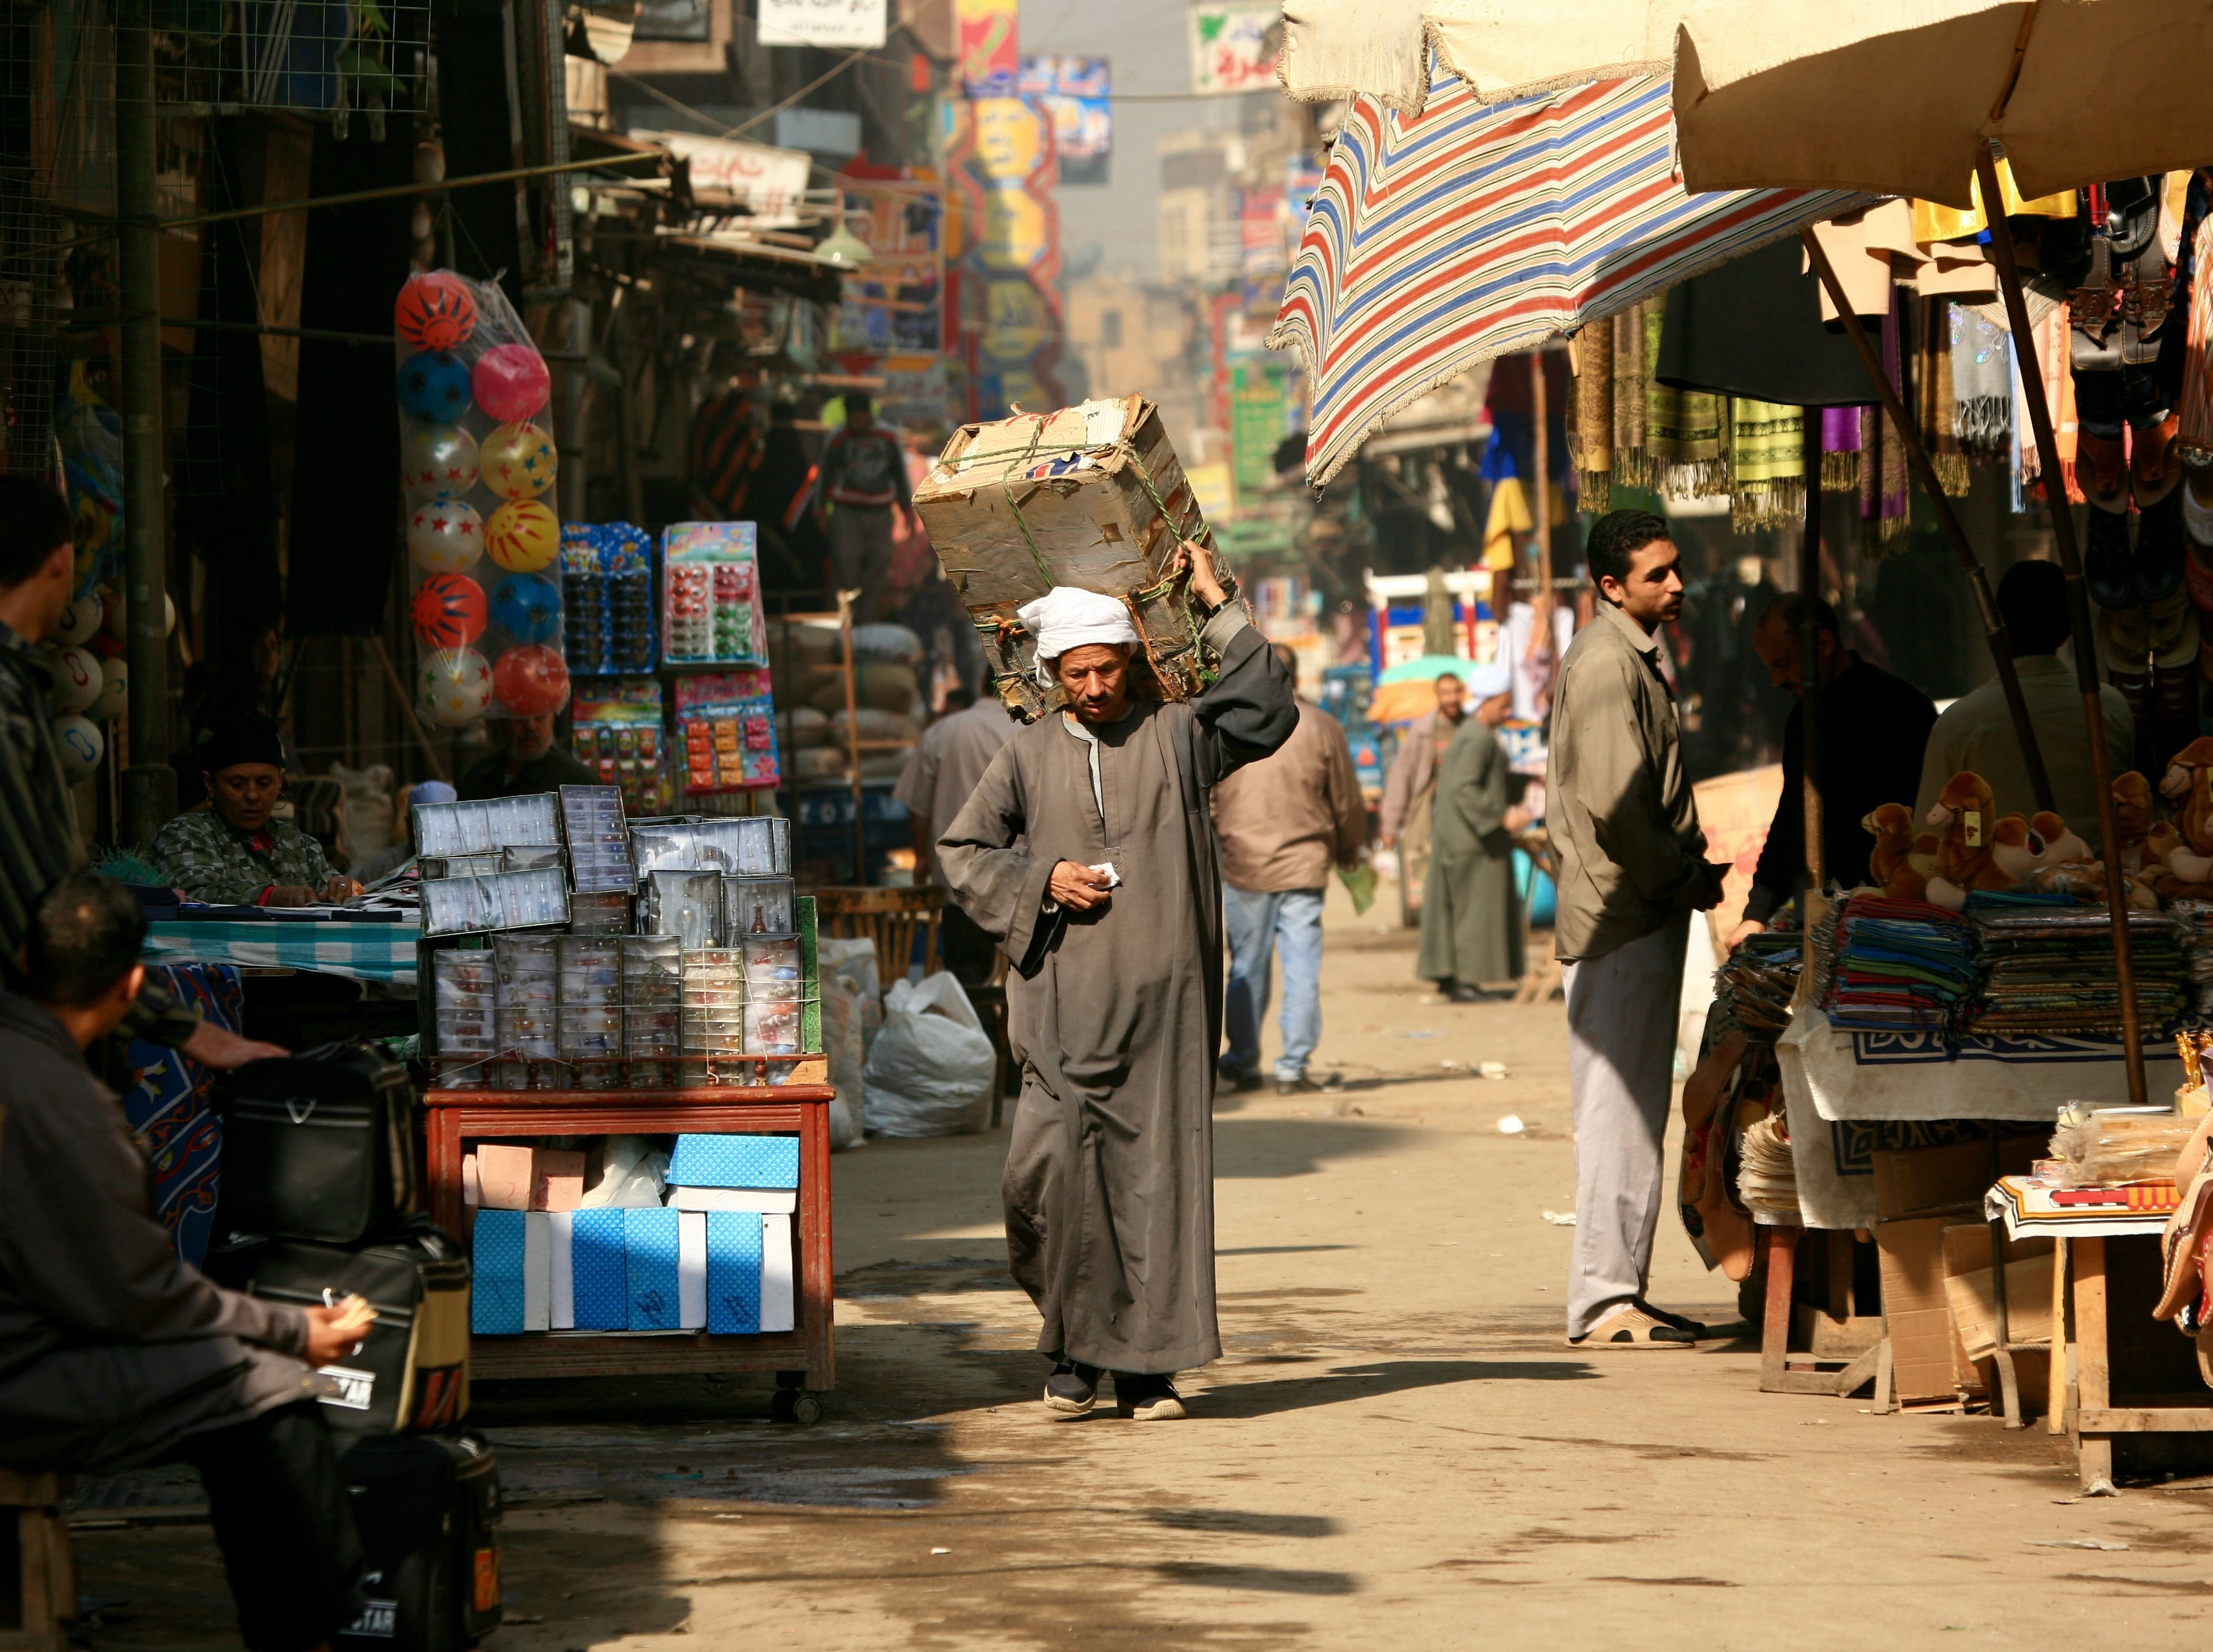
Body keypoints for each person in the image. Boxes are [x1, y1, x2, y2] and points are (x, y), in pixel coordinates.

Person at [939, 546, 1297, 1421]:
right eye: (1076, 674)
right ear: (1053, 672)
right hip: (1062, 1017)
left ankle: (1142, 1370)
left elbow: (1263, 706)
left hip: (1164, 1019)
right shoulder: (1024, 754)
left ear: (1129, 661)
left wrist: (1218, 601)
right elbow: (965, 851)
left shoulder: (1178, 736)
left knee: (1153, 1191)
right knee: (1045, 1184)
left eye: (1104, 670)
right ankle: (1069, 1343)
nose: (1093, 688)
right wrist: (1042, 878)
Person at [0, 872, 367, 1650]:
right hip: (22, 1377)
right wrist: (290, 1329)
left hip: (37, 1341)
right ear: (135, 983)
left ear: (24, 957)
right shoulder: (61, 1103)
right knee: (267, 1389)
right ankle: (310, 1636)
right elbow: (137, 1303)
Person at [0, 477, 274, 1070]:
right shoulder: (6, 700)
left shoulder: (21, 688)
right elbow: (46, 899)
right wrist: (186, 1028)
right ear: (61, 560)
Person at [1549, 509, 1728, 1351]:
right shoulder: (1606, 664)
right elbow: (1623, 810)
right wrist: (1685, 876)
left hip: (1636, 910)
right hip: (1623, 914)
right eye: (1657, 574)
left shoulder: (1630, 657)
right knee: (1619, 1114)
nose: (1677, 585)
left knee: (1632, 1111)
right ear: (1611, 586)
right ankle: (1605, 1300)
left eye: (1677, 568)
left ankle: (1620, 1292)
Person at [1730, 594, 1938, 948]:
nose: (1777, 679)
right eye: (1770, 667)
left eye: (1783, 663)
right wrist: (1756, 914)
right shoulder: (1802, 719)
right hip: (1819, 921)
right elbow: (1791, 819)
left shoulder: (1902, 708)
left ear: (1823, 643)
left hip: (1895, 917)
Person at [1210, 642, 1366, 1095]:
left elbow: (1211, 796)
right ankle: (1293, 1068)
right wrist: (1350, 846)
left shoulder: (1230, 725)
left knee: (1246, 967)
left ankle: (1242, 1061)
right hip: (1304, 863)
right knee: (1301, 968)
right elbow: (1345, 799)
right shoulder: (1322, 726)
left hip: (1244, 863)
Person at [1913, 558, 2135, 832]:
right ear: (2069, 628)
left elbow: (1929, 838)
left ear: (1999, 623)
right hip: (2102, 872)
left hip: (2006, 874)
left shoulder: (1959, 724)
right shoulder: (2112, 708)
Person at [150, 718, 363, 907]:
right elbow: (192, 894)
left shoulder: (300, 845)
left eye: (264, 783)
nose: (252, 795)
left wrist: (343, 889)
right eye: (237, 784)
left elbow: (335, 886)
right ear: (210, 783)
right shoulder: (186, 834)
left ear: (280, 781)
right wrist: (270, 896)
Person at [1417, 660, 1530, 1002]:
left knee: (1455, 911)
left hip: (1460, 838)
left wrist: (1525, 781)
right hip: (1471, 842)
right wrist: (1501, 818)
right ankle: (1467, 981)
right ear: (1487, 702)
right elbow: (1465, 789)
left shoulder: (1473, 733)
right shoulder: (1478, 737)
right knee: (1473, 913)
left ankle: (1453, 978)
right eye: (1504, 704)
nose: (1508, 711)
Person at [893, 680, 1015, 986]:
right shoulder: (1034, 729)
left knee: (967, 983)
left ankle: (974, 1027)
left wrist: (922, 858)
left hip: (961, 880)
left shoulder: (944, 732)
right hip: (1024, 879)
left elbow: (918, 806)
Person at [806, 393, 916, 625]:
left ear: (868, 415)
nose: (857, 421)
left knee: (879, 561)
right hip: (847, 511)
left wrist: (907, 511)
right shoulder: (838, 438)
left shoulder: (887, 437)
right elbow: (824, 476)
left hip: (880, 511)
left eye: (861, 416)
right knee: (847, 560)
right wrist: (820, 511)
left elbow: (899, 476)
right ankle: (847, 618)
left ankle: (867, 619)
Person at [1378, 669, 1465, 918]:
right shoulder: (1423, 731)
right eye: (1446, 693)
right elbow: (1401, 776)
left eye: (1456, 692)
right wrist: (1390, 825)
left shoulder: (1471, 728)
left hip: (1463, 811)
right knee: (1425, 867)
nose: (1452, 698)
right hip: (1431, 811)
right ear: (1437, 695)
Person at [455, 710, 594, 801]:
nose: (530, 727)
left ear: (552, 721)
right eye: (520, 718)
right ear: (502, 722)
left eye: (540, 718)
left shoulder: (579, 782)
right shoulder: (478, 777)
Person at [350, 778, 456, 886]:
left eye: (438, 821)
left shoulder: (467, 865)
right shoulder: (380, 868)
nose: (431, 830)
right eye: (422, 822)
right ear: (408, 824)